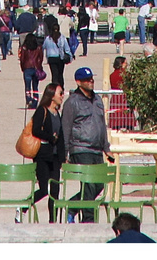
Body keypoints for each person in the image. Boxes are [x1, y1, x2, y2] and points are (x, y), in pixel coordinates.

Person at [61, 66, 110, 222]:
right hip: (81, 148)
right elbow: (66, 127)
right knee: (88, 185)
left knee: (100, 184)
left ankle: (73, 206)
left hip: (97, 149)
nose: (90, 82)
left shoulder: (98, 100)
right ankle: (88, 219)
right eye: (87, 80)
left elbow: (102, 124)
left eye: (91, 79)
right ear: (78, 82)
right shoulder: (72, 102)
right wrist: (66, 152)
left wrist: (106, 147)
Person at [30, 82, 65, 222]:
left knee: (55, 191)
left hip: (55, 157)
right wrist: (51, 137)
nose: (62, 96)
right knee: (44, 189)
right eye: (60, 93)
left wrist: (63, 156)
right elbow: (35, 130)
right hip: (43, 156)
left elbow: (61, 136)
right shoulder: (42, 111)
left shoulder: (57, 113)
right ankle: (25, 206)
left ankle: (53, 220)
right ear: (51, 95)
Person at [19, 33, 45, 109]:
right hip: (36, 67)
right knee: (35, 86)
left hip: (27, 68)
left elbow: (22, 59)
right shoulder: (39, 47)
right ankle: (35, 101)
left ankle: (28, 99)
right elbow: (41, 58)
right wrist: (39, 66)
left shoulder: (24, 48)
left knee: (27, 86)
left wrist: (23, 68)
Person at [43, 15, 70, 90]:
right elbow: (67, 48)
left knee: (54, 74)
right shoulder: (62, 37)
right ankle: (61, 87)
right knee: (60, 74)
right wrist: (69, 56)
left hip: (51, 58)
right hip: (59, 57)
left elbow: (44, 47)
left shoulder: (48, 38)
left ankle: (54, 88)